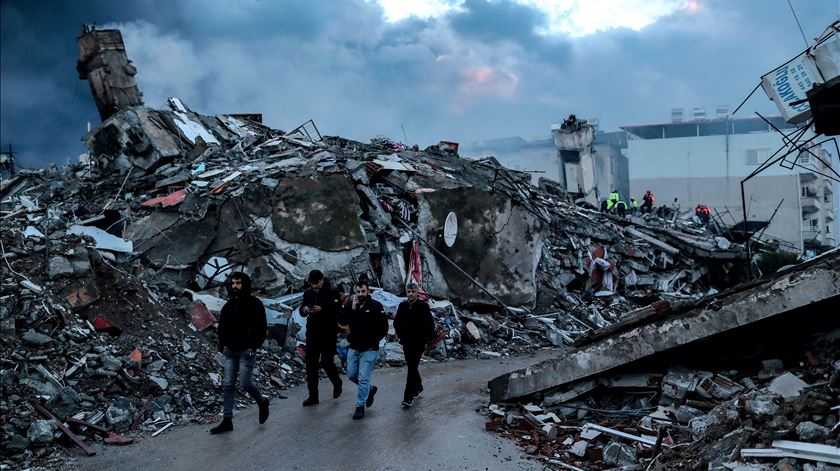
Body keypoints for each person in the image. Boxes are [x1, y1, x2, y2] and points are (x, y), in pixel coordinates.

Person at [210, 272, 269, 434]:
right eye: (233, 283)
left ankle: (262, 402)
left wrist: (253, 346)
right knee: (228, 385)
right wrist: (223, 346)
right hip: (230, 351)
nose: (235, 286)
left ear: (245, 284)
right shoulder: (229, 305)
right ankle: (227, 420)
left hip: (246, 351)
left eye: (238, 283)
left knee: (245, 383)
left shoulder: (255, 304)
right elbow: (222, 327)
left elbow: (262, 328)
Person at [339, 280, 388, 420]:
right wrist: (351, 309)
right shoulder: (351, 305)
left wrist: (374, 340)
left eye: (363, 291)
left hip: (369, 348)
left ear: (368, 292)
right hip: (354, 347)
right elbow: (342, 322)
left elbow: (384, 327)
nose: (360, 294)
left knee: (363, 377)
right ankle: (370, 389)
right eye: (358, 291)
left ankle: (360, 406)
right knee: (352, 375)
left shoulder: (375, 306)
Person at [300, 270, 343, 407]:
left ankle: (337, 382)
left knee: (326, 362)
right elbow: (302, 308)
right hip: (312, 334)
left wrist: (322, 310)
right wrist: (305, 309)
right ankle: (313, 396)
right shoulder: (308, 293)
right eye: (311, 284)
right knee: (311, 366)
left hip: (328, 334)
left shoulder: (332, 292)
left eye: (316, 283)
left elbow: (337, 311)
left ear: (321, 280)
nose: (314, 286)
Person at [393, 282, 436, 408]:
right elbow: (396, 323)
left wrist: (426, 339)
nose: (411, 294)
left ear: (417, 292)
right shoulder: (402, 306)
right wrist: (402, 335)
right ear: (406, 293)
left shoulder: (423, 306)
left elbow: (430, 324)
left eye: (413, 291)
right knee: (412, 366)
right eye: (408, 292)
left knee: (412, 368)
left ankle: (408, 397)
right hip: (406, 342)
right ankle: (419, 386)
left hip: (418, 343)